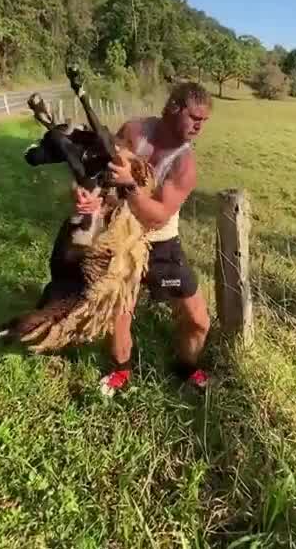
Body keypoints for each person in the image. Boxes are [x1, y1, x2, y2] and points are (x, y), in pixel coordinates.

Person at [74, 82, 213, 395]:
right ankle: (121, 372)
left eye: (204, 121)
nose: (199, 126)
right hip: (120, 238)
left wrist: (129, 186)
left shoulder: (184, 164)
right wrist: (88, 197)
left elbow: (158, 215)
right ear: (174, 107)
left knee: (198, 320)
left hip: (161, 244)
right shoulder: (134, 132)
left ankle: (186, 367)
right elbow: (96, 173)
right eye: (194, 117)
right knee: (119, 315)